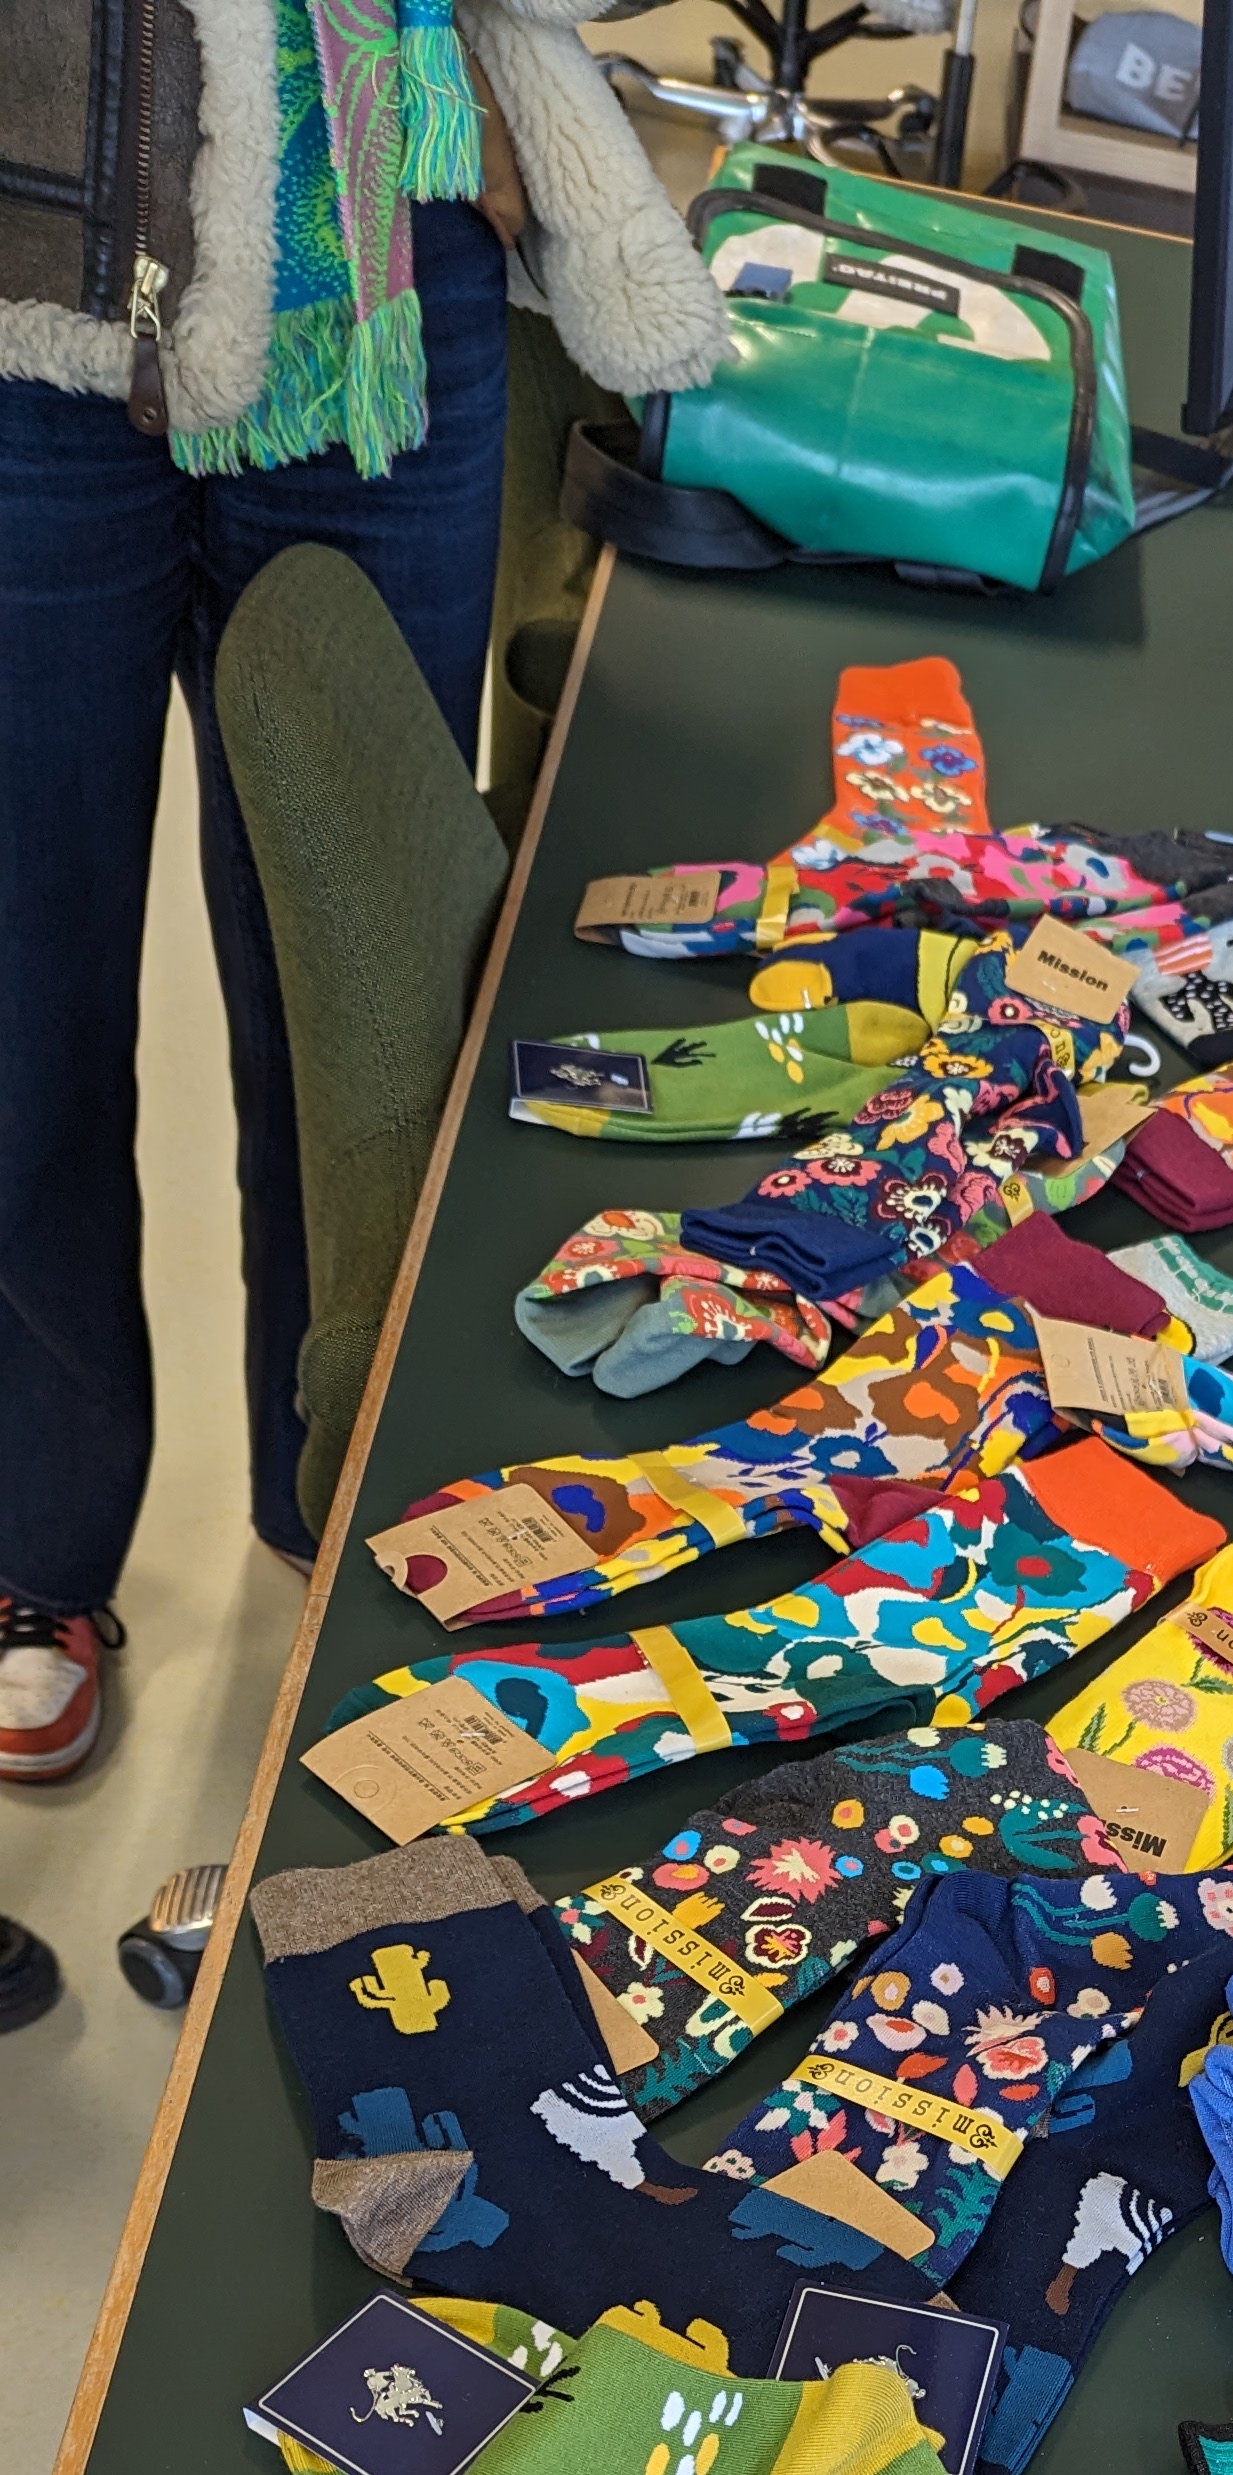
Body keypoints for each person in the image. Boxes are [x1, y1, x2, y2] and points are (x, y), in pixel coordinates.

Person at [0, 1, 726, 1786]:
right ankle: (33, 1550)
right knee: (28, 1003)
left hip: (373, 302)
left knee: (361, 1015)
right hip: (29, 298)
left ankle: (337, 1498)